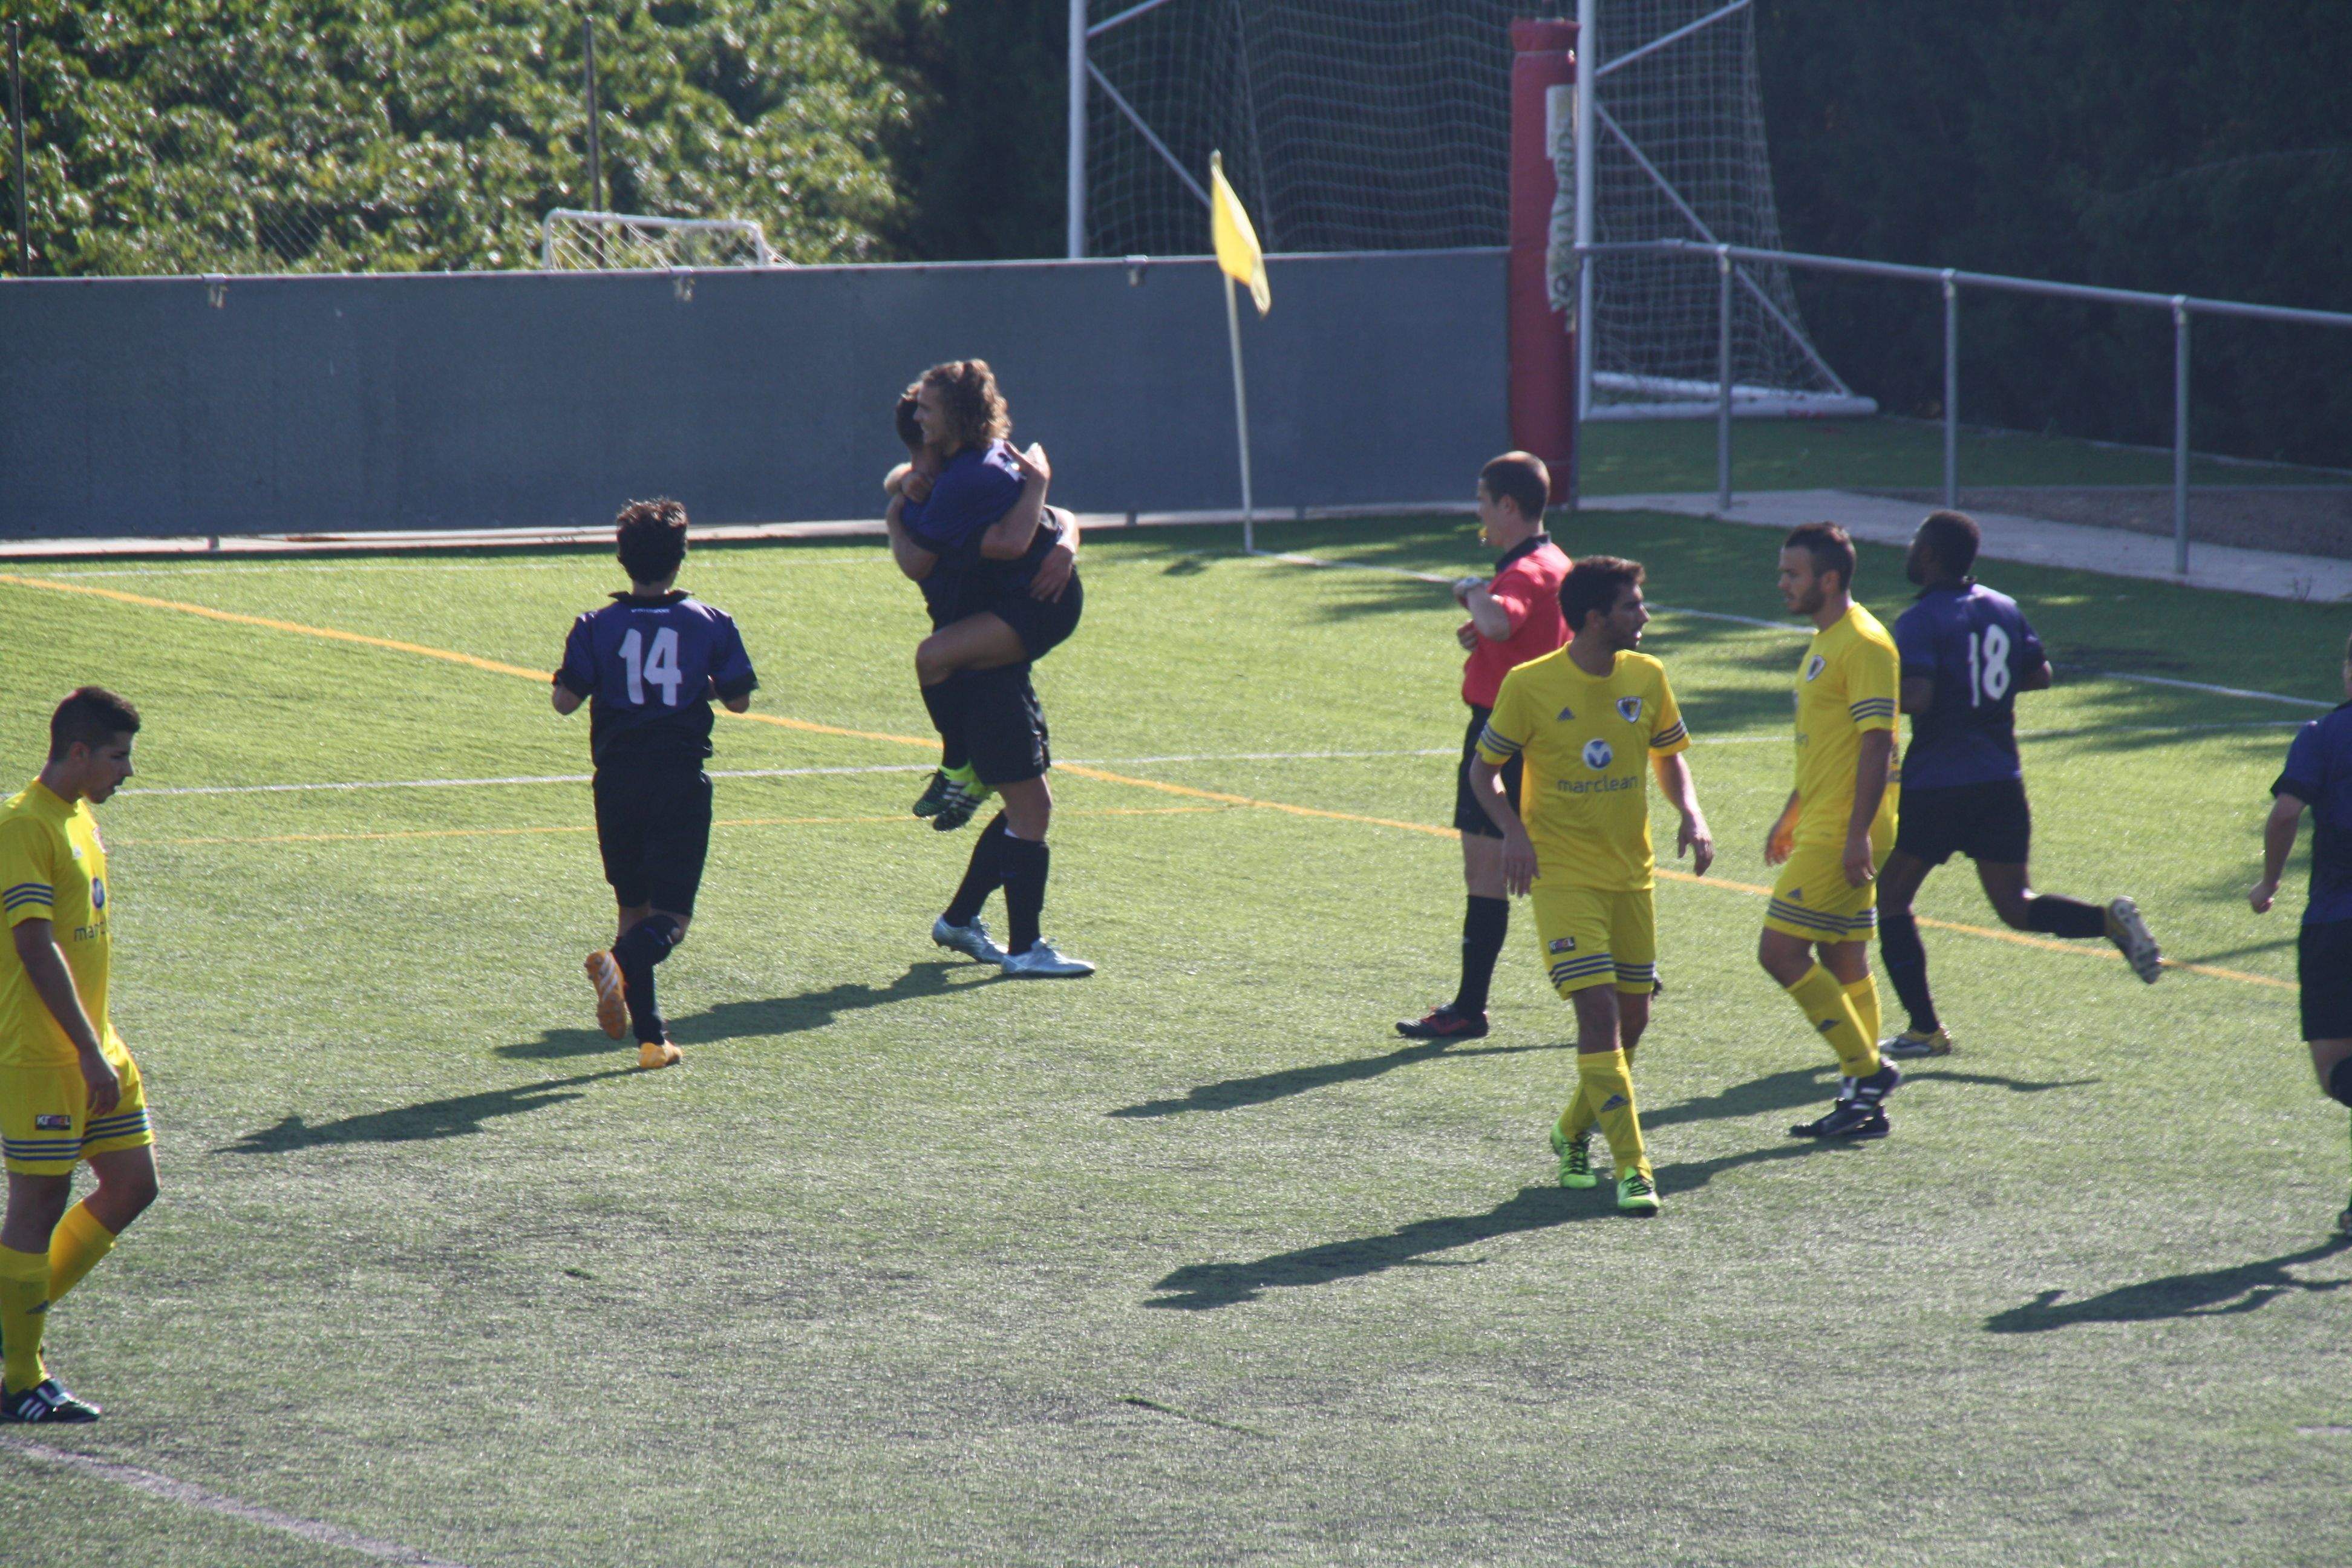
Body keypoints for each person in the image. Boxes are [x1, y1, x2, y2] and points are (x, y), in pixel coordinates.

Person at [1469, 557, 1713, 1215]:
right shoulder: (1531, 685)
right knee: (1600, 1013)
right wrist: (1513, 832)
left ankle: (1573, 1130)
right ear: (1596, 617)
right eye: (1634, 605)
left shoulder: (1648, 675)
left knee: (1634, 1018)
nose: (1645, 616)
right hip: (1561, 876)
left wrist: (1690, 812)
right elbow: (1482, 771)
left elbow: (1669, 754)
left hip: (1632, 875)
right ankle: (1633, 1168)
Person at [1876, 511, 2163, 1057]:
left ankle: (1924, 1030)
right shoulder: (2004, 607)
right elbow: (2039, 673)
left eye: (1915, 544)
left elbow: (1918, 697)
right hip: (2001, 779)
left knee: (1890, 898)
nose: (1910, 552)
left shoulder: (1918, 621)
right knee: (2014, 903)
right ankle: (2106, 921)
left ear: (1932, 556)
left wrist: (1862, 697)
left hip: (1939, 781)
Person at [884, 364, 1091, 979]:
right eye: (917, 415)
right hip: (993, 658)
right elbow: (924, 556)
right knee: (1030, 809)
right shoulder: (957, 479)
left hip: (1005, 642)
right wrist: (900, 503)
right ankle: (1020, 946)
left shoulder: (963, 478)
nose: (922, 421)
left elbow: (1039, 522)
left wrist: (1063, 537)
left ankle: (964, 915)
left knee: (1026, 805)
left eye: (930, 409)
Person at [555, 500, 759, 1068]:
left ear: (622, 559)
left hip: (616, 781)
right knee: (671, 920)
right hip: (678, 781)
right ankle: (620, 964)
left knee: (632, 906)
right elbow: (739, 699)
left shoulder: (596, 626)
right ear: (681, 557)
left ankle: (652, 1040)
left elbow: (565, 702)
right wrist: (699, 685)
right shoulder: (711, 621)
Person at [0, 687, 158, 1423]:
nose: (128, 771)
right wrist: (89, 1052)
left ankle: (8, 1326)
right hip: (45, 1055)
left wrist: (100, 1048)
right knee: (37, 1207)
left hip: (96, 1046)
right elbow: (34, 945)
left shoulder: (79, 819)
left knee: (133, 1186)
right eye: (119, 757)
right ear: (79, 751)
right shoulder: (25, 825)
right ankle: (21, 1378)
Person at [1397, 451, 1572, 1042]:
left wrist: (1471, 590)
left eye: (1482, 501)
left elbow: (1501, 622)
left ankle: (1470, 1008)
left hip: (1503, 735)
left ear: (1508, 506)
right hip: (1549, 733)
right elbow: (1513, 634)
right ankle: (1629, 969)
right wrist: (1483, 621)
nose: (1479, 513)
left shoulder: (1525, 570)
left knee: (1486, 874)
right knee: (1563, 865)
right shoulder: (1555, 561)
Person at [1757, 523, 1906, 1140]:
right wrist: (1791, 813)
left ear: (1829, 579)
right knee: (1844, 956)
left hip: (1846, 829)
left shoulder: (1865, 644)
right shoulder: (1828, 641)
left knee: (1780, 951)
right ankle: (1862, 1103)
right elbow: (1830, 746)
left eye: (1793, 574)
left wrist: (1853, 835)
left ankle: (1866, 1071)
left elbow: (1878, 743)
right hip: (1824, 820)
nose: (1782, 583)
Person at [2252, 638, 2352, 1233]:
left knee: (2336, 1070)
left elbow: (2287, 813)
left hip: (2337, 924)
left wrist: (2268, 884)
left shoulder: (2322, 735)